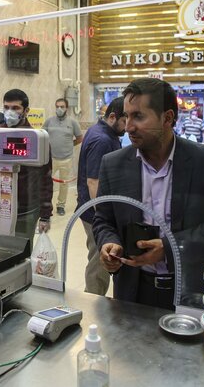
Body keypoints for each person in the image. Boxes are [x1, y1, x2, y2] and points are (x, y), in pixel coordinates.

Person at [94, 78, 204, 310]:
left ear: (167, 118)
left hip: (190, 290)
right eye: (127, 116)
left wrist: (170, 248)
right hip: (133, 292)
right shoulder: (113, 165)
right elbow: (103, 220)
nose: (128, 127)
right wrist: (109, 244)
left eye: (139, 116)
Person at [0, 89, 53, 246]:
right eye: (7, 107)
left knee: (20, 255)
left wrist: (45, 215)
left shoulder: (36, 139)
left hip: (25, 210)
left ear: (26, 111)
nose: (10, 112)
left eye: (15, 108)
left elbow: (46, 179)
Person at [76, 96, 126, 295]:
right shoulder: (102, 139)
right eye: (125, 121)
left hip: (94, 208)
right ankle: (92, 305)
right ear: (113, 117)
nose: (128, 126)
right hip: (94, 212)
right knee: (100, 261)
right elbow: (93, 181)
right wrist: (103, 217)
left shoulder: (100, 132)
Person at [42, 98, 83, 216]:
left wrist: (70, 145)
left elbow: (80, 138)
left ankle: (61, 205)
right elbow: (42, 136)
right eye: (57, 106)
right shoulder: (49, 121)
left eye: (62, 106)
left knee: (64, 184)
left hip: (67, 158)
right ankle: (46, 206)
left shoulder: (73, 122)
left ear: (67, 108)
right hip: (51, 159)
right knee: (46, 183)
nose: (59, 109)